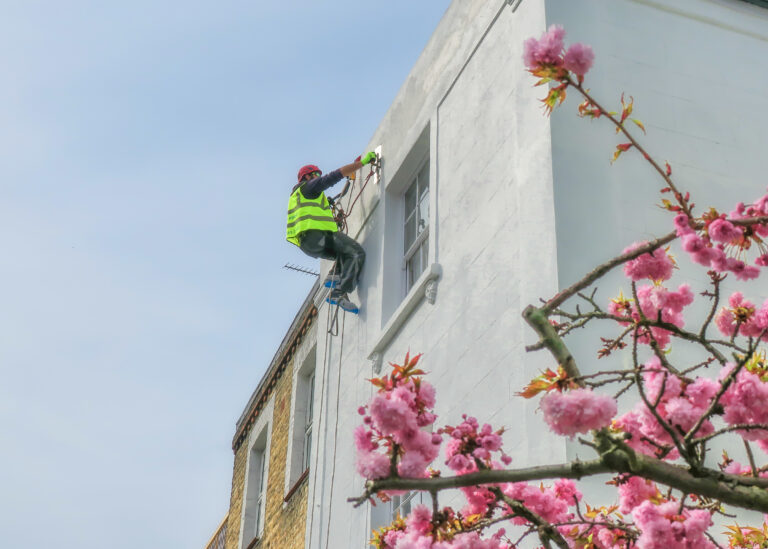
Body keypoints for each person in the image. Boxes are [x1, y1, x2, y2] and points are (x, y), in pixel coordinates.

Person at [286, 152, 377, 313]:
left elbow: (318, 216)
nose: (318, 178)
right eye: (315, 175)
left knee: (345, 254)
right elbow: (334, 176)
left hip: (309, 243)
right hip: (317, 236)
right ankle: (339, 285)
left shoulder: (302, 197)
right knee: (356, 253)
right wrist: (361, 163)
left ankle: (335, 290)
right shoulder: (308, 188)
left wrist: (336, 220)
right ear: (307, 177)